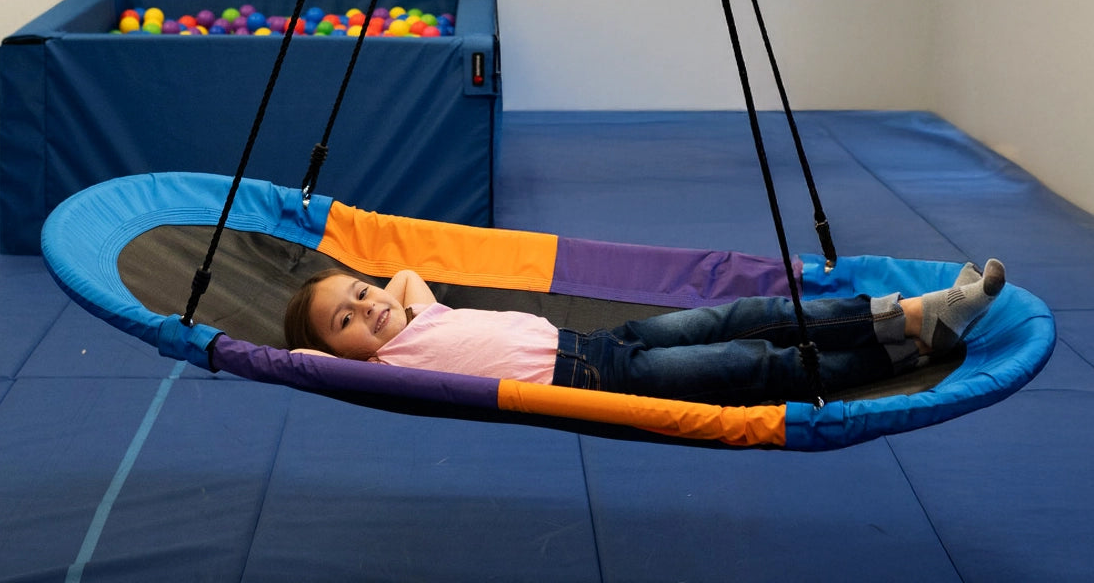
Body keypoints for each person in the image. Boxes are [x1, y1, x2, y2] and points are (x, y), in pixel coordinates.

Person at [283, 260, 1005, 405]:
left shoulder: (414, 315)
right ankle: (905, 352)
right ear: (332, 350)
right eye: (344, 319)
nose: (368, 306)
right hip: (593, 384)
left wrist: (383, 304)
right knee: (753, 364)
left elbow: (405, 275)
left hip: (596, 340)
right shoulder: (387, 367)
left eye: (359, 291)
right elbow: (310, 364)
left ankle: (903, 313)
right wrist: (311, 348)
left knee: (743, 315)